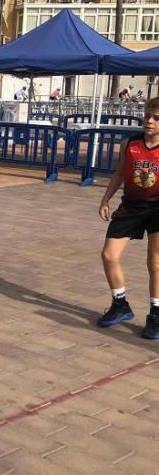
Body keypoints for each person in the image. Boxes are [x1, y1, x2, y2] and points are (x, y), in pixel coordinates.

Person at [97, 98, 159, 339]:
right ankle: (120, 304)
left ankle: (155, 314)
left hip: (157, 209)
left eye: (156, 118)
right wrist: (105, 199)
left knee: (154, 263)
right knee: (109, 255)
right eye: (147, 116)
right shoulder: (132, 143)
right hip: (131, 206)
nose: (150, 121)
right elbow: (121, 173)